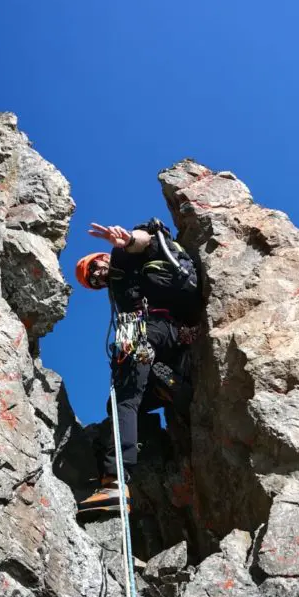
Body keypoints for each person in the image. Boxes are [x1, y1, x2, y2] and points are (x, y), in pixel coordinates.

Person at [75, 219, 201, 515]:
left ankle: (114, 481)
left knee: (123, 400)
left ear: (102, 258)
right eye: (92, 279)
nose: (96, 275)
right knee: (123, 402)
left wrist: (126, 239)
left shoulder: (119, 259)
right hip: (163, 336)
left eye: (94, 268)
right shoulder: (120, 291)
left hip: (148, 331)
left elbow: (142, 242)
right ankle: (171, 386)